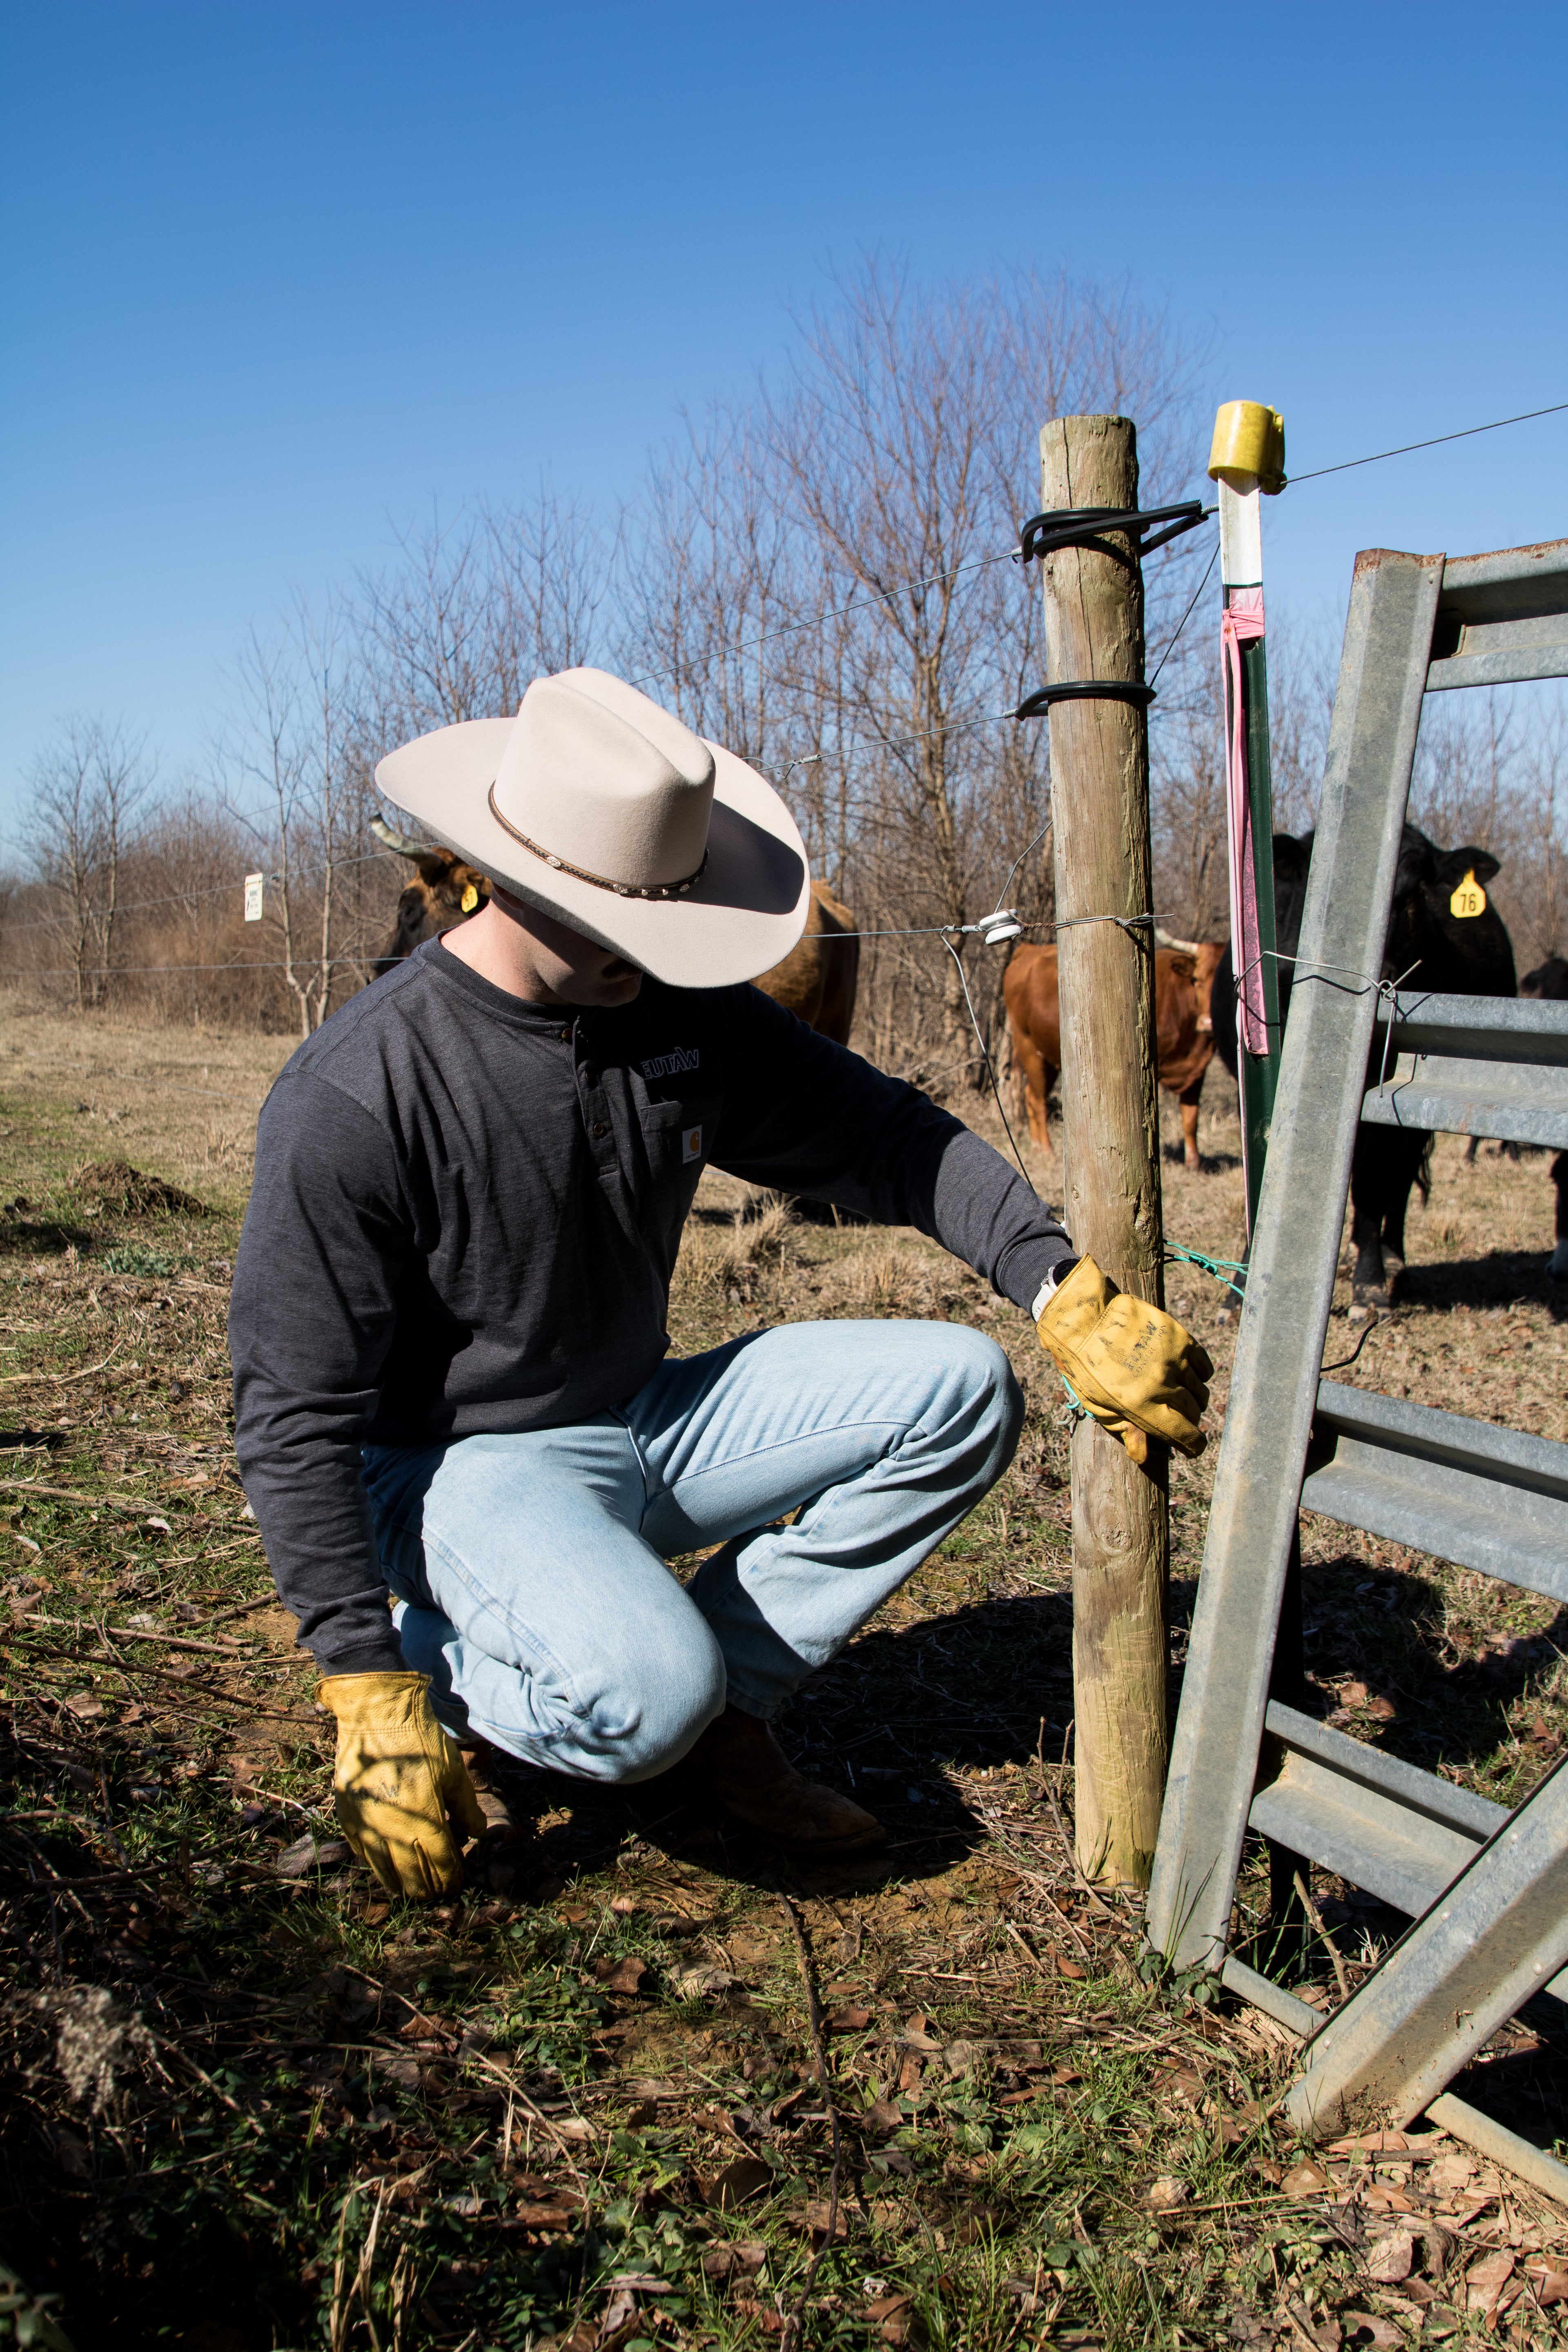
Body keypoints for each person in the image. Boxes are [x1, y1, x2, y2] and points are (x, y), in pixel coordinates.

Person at [229, 668, 1211, 1900]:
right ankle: (461, 1670)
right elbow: (290, 1416)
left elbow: (893, 1138)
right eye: (629, 919)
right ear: (510, 874)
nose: (661, 947)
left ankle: (729, 1716)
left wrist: (1058, 1283)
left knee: (962, 1389)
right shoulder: (358, 1094)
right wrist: (363, 1683)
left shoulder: (675, 1014)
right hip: (453, 1468)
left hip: (641, 1415)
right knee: (644, 1698)